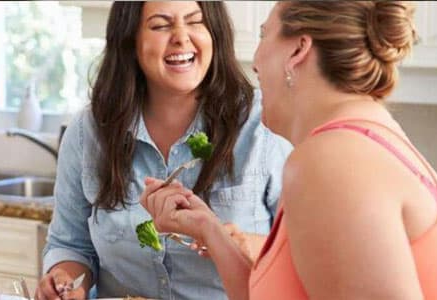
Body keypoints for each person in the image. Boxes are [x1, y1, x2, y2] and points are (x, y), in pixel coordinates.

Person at [141, 1, 437, 299]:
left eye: (264, 35)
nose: (256, 60)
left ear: (298, 50)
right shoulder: (359, 137)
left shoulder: (332, 160)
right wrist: (208, 229)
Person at [35, 1, 291, 300]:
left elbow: (303, 254)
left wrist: (234, 241)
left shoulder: (267, 124)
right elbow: (71, 244)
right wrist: (66, 281)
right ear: (130, 41)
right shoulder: (89, 130)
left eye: (195, 22)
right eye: (160, 25)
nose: (182, 37)